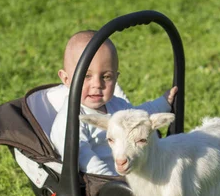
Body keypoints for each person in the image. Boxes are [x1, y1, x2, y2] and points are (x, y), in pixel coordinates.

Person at [50, 30, 177, 176]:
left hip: (133, 173)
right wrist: (113, 184)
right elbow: (85, 160)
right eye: (86, 76)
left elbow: (140, 118)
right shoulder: (70, 121)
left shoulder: (116, 105)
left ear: (116, 78)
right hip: (103, 186)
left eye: (106, 76)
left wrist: (163, 102)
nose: (97, 84)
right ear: (66, 79)